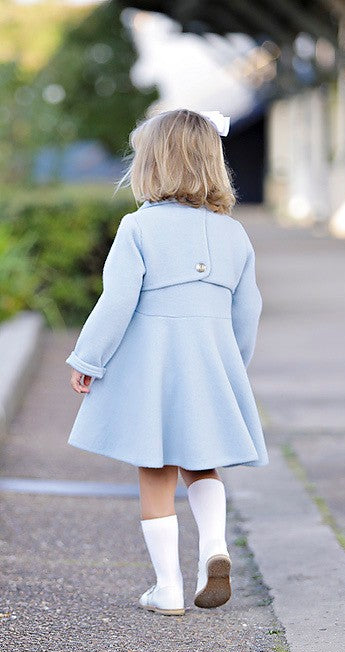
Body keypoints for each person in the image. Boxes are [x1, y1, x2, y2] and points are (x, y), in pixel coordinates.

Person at [65, 108, 267, 616]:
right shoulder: (234, 235)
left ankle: (168, 588)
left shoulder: (138, 228)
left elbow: (116, 302)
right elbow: (249, 311)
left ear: (151, 166)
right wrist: (232, 366)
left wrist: (89, 358)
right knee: (203, 465)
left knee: (155, 471)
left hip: (155, 372)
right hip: (210, 366)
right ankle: (215, 547)